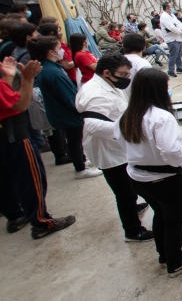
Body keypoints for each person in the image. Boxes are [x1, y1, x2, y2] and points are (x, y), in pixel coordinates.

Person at [114, 68, 182, 277]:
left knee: (160, 214)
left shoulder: (125, 116)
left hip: (137, 177)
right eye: (167, 86)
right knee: (174, 221)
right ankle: (176, 263)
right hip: (166, 181)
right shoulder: (162, 117)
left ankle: (164, 256)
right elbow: (172, 152)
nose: (169, 89)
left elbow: (120, 144)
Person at [74, 52, 153, 242]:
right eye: (124, 75)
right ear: (107, 72)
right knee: (123, 192)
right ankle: (133, 231)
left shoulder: (109, 84)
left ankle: (133, 207)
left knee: (129, 184)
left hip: (119, 148)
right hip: (109, 151)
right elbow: (92, 125)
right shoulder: (95, 93)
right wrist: (127, 130)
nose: (127, 79)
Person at [0, 55, 77, 239]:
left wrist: (8, 79)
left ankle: (15, 216)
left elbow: (6, 99)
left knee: (4, 180)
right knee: (31, 179)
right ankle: (41, 222)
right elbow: (19, 104)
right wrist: (27, 78)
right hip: (13, 136)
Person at [29, 35, 102, 179]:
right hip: (67, 113)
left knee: (74, 140)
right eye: (59, 48)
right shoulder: (53, 72)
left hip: (62, 112)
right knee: (74, 141)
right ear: (51, 52)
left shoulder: (51, 68)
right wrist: (81, 109)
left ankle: (81, 160)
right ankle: (80, 168)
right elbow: (68, 97)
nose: (62, 50)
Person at [159, 2, 182, 78]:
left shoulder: (171, 15)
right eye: (171, 7)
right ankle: (170, 70)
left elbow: (178, 23)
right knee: (173, 55)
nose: (172, 8)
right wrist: (180, 32)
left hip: (178, 37)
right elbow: (171, 27)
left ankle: (179, 67)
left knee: (179, 54)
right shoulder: (164, 17)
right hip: (172, 38)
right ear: (167, 8)